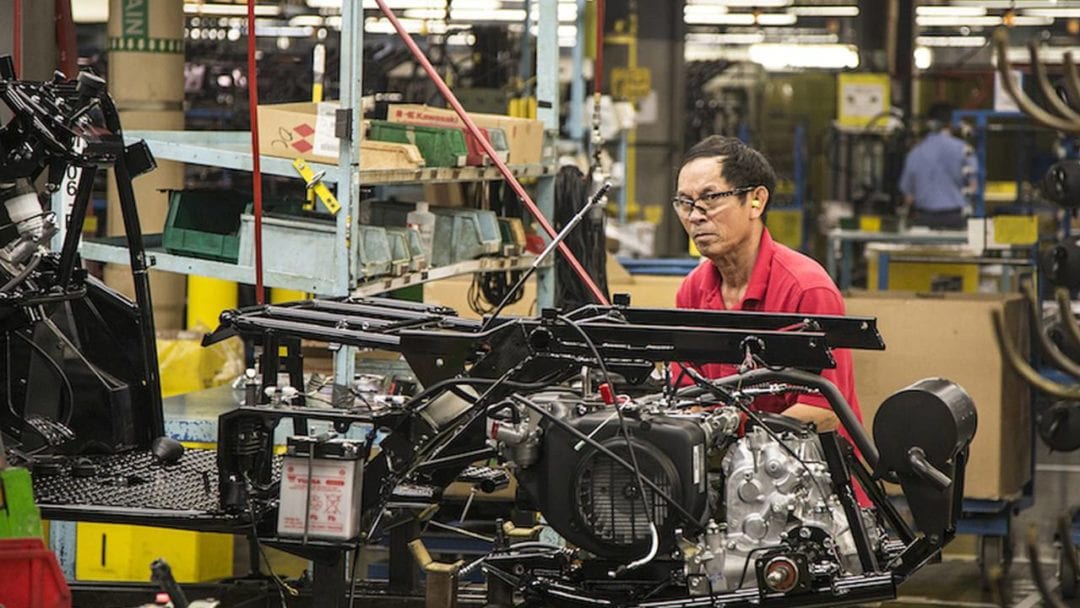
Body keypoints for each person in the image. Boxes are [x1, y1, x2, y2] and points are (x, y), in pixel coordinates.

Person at [671, 135, 861, 435]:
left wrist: (734, 439)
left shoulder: (806, 289)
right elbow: (686, 399)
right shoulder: (693, 290)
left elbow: (821, 411)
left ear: (756, 201)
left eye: (710, 198)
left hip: (807, 470)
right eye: (684, 202)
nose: (695, 216)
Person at [898, 102, 977, 230]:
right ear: (953, 123)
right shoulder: (964, 150)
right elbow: (974, 186)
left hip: (924, 219)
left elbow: (908, 197)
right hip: (955, 218)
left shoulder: (915, 152)